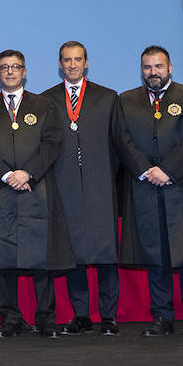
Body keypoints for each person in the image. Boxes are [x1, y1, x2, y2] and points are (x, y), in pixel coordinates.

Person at [114, 45, 183, 337]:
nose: (153, 72)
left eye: (158, 66)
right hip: (145, 186)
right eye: (147, 67)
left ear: (170, 68)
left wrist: (169, 170)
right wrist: (146, 170)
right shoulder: (126, 101)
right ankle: (162, 317)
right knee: (155, 254)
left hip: (181, 185)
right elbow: (122, 140)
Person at [0, 50, 73, 338]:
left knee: (41, 260)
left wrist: (26, 173)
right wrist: (6, 175)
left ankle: (46, 318)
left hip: (36, 190)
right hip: (0, 191)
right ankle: (10, 318)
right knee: (2, 261)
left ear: (25, 71)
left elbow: (52, 143)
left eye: (15, 67)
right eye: (4, 68)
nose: (9, 72)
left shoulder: (43, 104)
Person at [40, 41, 123, 336]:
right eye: (67, 60)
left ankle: (109, 316)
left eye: (77, 60)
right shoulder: (46, 101)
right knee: (73, 252)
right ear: (59, 64)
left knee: (106, 253)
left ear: (87, 62)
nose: (72, 65)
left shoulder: (108, 97)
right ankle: (81, 315)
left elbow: (119, 144)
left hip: (101, 186)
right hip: (64, 186)